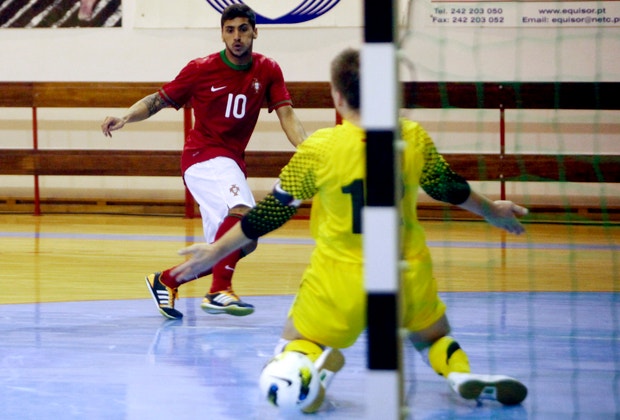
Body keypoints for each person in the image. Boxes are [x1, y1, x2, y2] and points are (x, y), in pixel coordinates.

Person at [170, 48, 529, 412]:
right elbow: (451, 189)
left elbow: (268, 214)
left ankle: (304, 372)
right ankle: (457, 374)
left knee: (296, 340)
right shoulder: (412, 137)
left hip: (340, 276)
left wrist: (215, 252)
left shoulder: (320, 148)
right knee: (434, 335)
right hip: (406, 269)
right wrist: (493, 211)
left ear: (338, 97)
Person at [101, 4, 306, 320]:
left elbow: (287, 114)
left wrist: (308, 148)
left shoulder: (268, 69)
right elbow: (158, 100)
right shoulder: (200, 68)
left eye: (243, 29)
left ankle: (166, 280)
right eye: (229, 29)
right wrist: (126, 116)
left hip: (230, 163)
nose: (236, 36)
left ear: (255, 32)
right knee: (243, 214)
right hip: (203, 157)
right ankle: (218, 291)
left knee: (238, 243)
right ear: (222, 33)